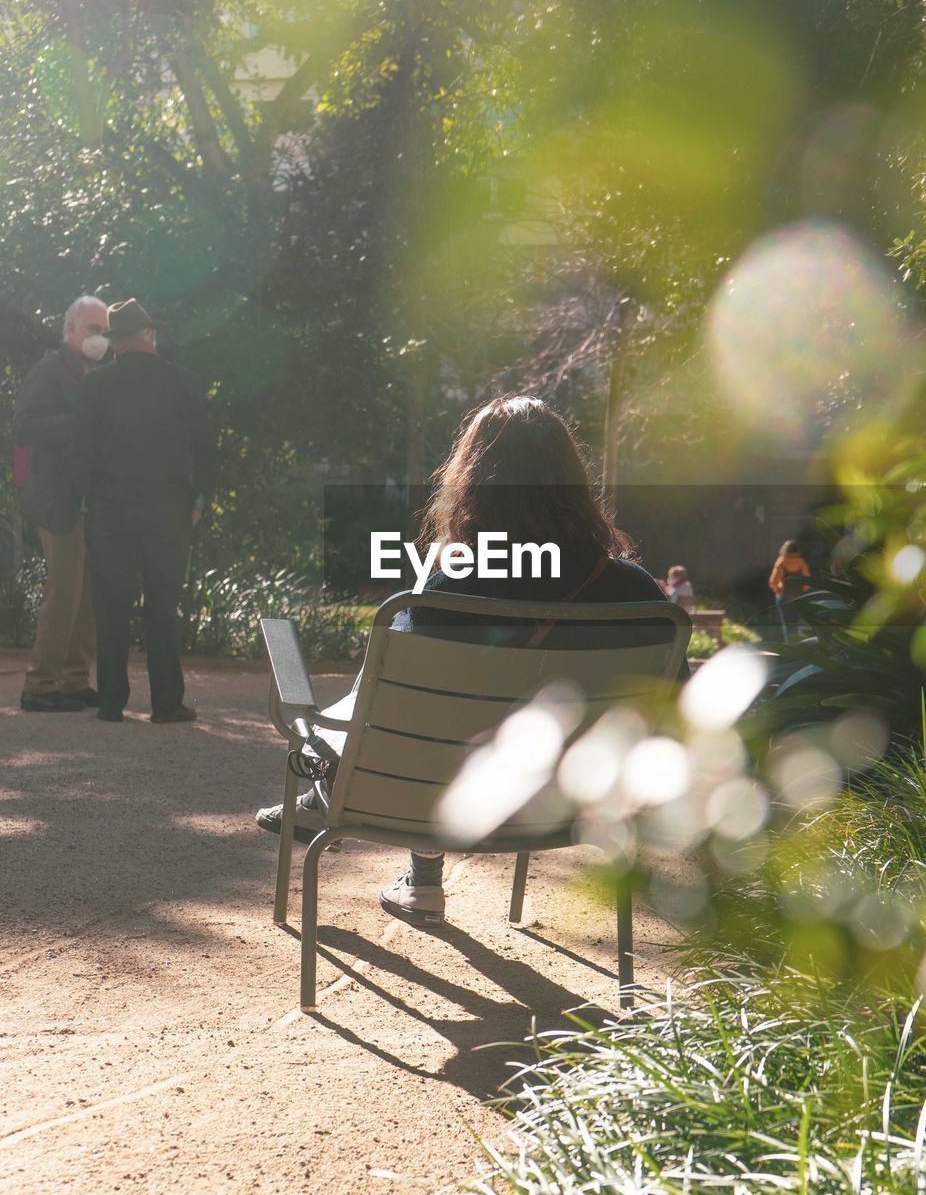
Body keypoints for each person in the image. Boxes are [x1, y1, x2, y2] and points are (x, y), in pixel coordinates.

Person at [256, 394, 683, 927]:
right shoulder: (638, 592)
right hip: (571, 803)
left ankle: (399, 858)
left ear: (472, 482)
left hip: (438, 800)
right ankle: (414, 873)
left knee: (406, 669)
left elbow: (397, 722)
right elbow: (669, 715)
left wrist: (320, 739)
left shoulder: (445, 591)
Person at [73, 299, 218, 723]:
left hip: (109, 511)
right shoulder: (179, 381)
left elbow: (79, 454)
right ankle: (166, 702)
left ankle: (111, 701)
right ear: (150, 334)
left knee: (111, 607)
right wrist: (200, 500)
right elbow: (207, 446)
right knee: (162, 606)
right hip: (167, 510)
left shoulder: (95, 386)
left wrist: (92, 500)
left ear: (115, 341)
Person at [13, 295, 109, 713]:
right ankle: (39, 685)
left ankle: (73, 680)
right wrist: (79, 424)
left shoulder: (95, 373)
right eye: (93, 329)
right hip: (57, 499)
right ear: (70, 330)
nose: (100, 338)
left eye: (105, 330)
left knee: (87, 592)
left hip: (88, 499)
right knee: (65, 591)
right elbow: (23, 427)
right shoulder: (51, 370)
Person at [769, 539, 811, 643]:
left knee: (786, 623)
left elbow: (773, 581)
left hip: (784, 597)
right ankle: (797, 644)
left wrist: (777, 591)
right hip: (798, 597)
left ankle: (789, 646)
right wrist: (802, 590)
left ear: (784, 549)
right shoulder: (801, 562)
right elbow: (807, 581)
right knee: (795, 622)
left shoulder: (781, 561)